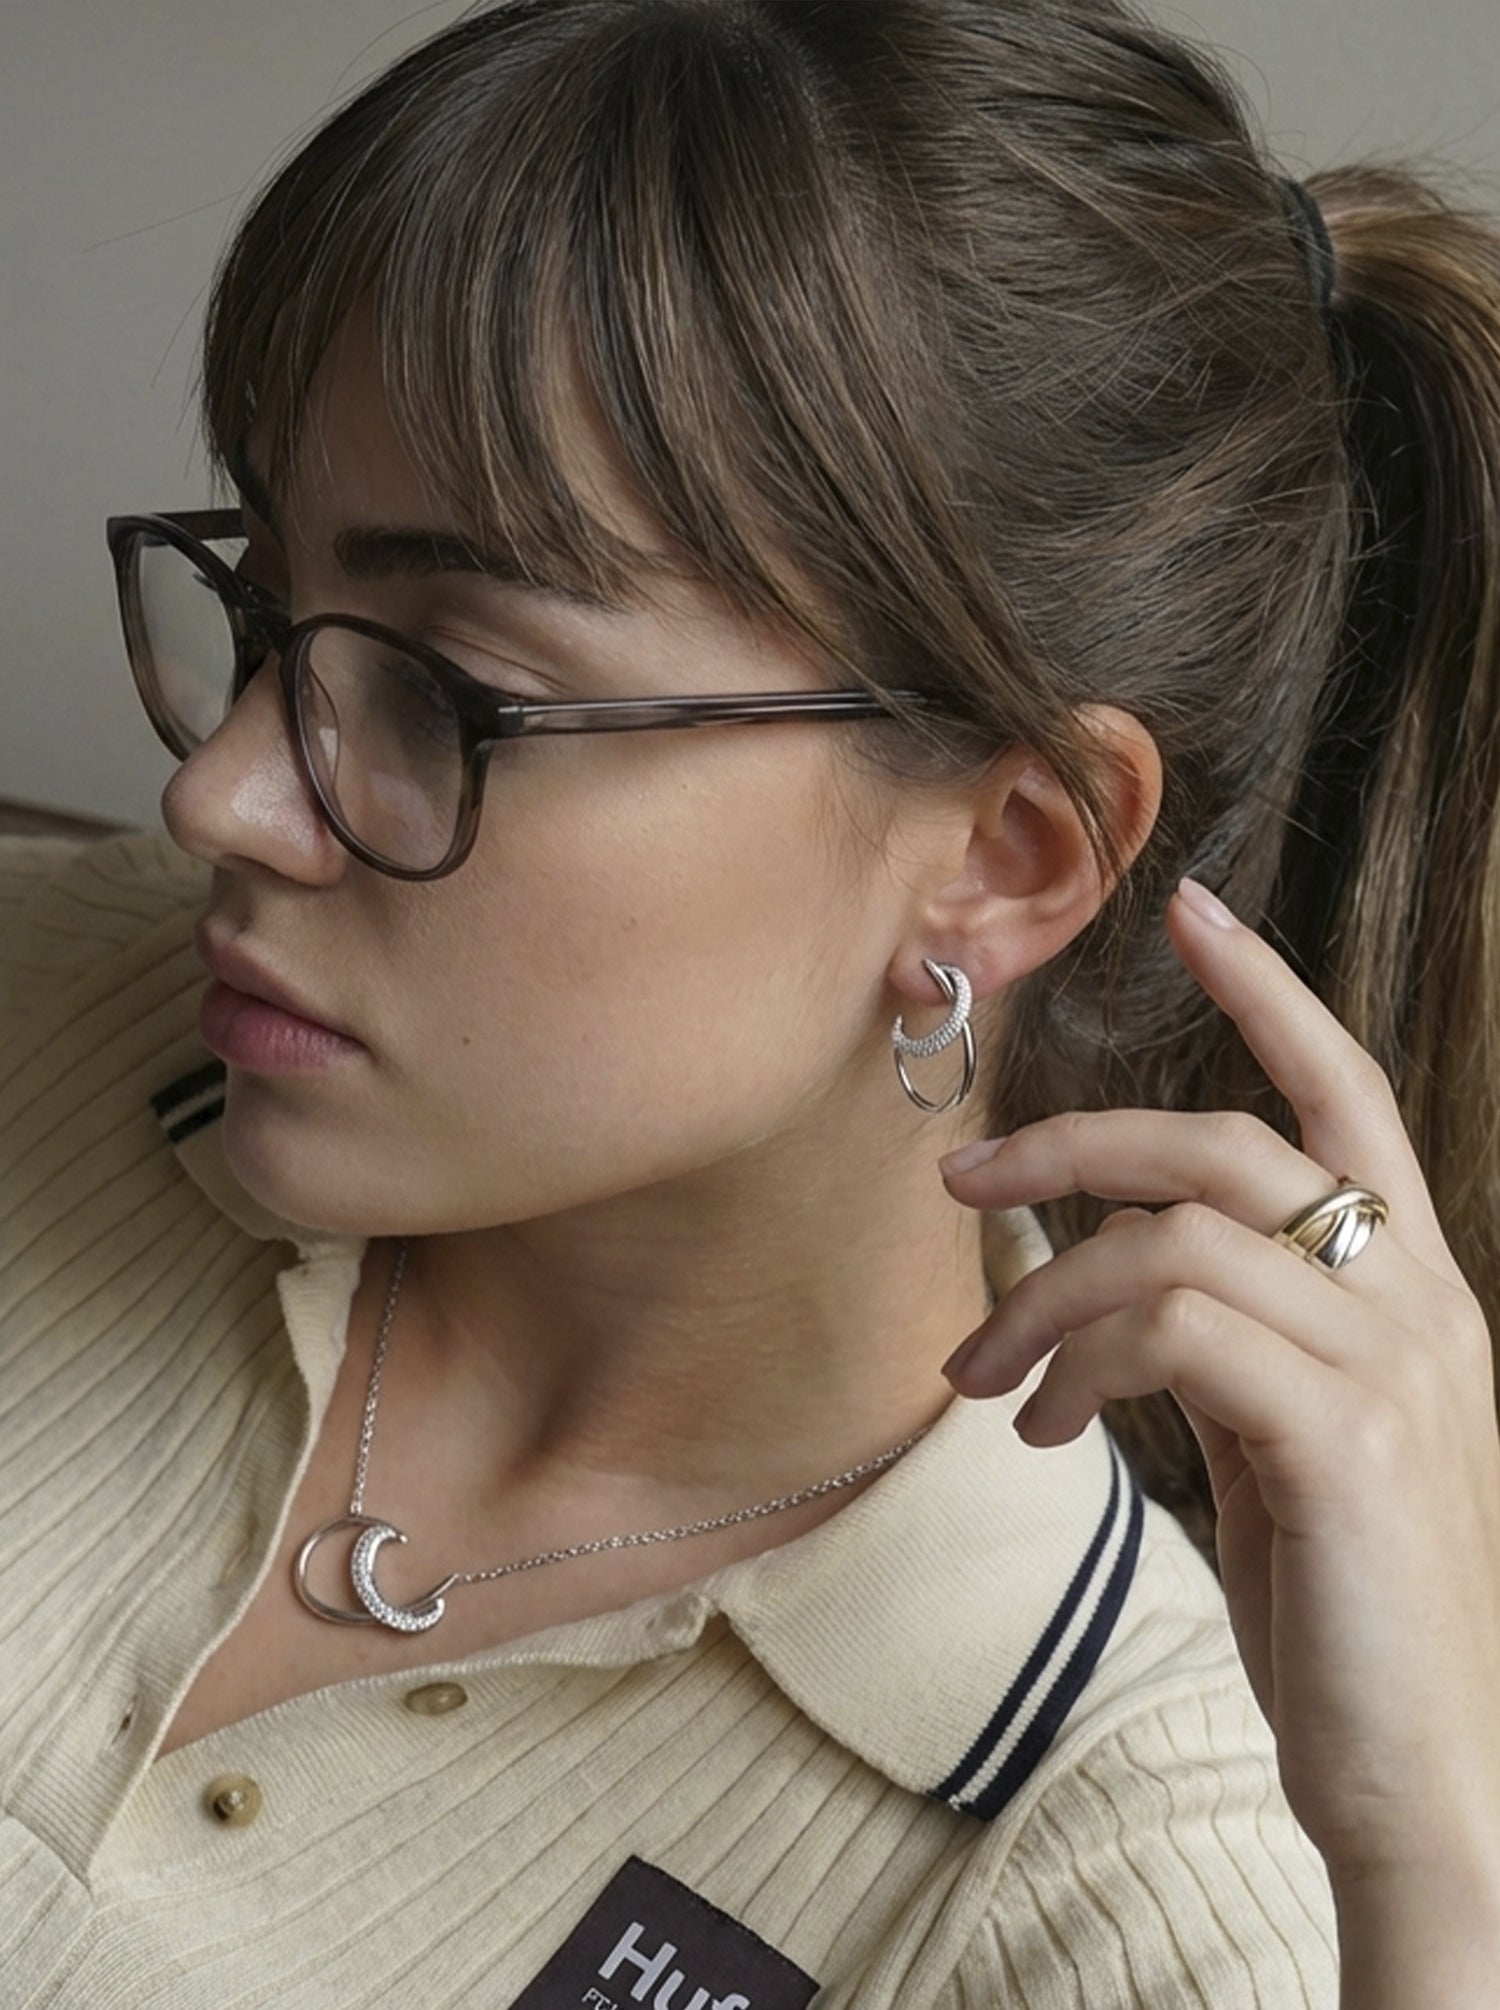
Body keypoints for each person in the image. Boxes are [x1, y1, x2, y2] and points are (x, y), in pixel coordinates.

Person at [2, 0, 1499, 2002]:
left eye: (445, 692)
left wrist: (1434, 1875)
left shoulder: (1132, 1869)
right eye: (268, 611)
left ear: (1012, 851)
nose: (223, 795)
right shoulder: (39, 997)